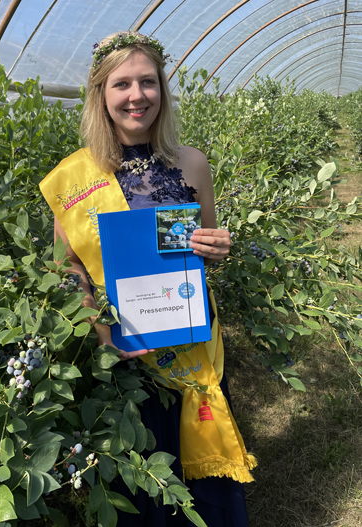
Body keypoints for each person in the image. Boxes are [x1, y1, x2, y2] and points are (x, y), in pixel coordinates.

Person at [40, 31, 256, 527]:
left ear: (162, 89)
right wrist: (102, 332)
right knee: (144, 480)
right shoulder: (73, 178)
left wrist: (218, 249)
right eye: (122, 84)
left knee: (200, 485)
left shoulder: (192, 163)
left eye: (148, 82)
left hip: (189, 343)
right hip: (126, 358)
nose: (136, 95)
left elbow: (205, 253)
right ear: (100, 94)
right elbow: (66, 265)